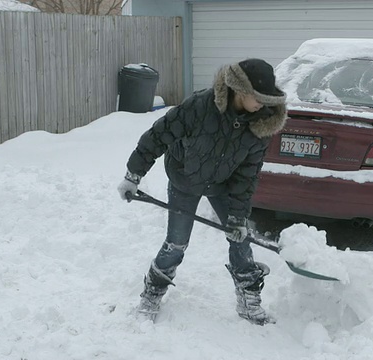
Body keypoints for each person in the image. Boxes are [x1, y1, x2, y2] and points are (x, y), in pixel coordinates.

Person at [117, 59, 287, 325]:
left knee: (240, 239)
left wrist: (238, 219)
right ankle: (152, 293)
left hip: (223, 184)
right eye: (258, 98)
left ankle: (248, 299)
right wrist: (133, 174)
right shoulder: (200, 107)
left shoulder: (261, 125)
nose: (263, 105)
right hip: (185, 178)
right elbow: (158, 135)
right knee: (176, 243)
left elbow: (247, 176)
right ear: (240, 91)